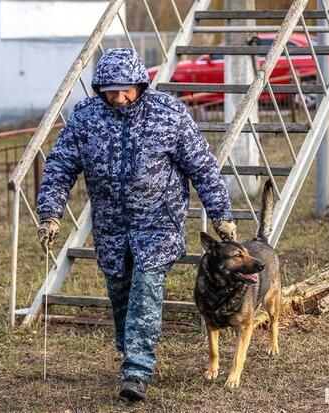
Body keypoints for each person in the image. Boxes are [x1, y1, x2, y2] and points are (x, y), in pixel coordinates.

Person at [36, 48, 236, 401]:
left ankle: (136, 373)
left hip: (159, 221)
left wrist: (220, 214)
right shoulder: (86, 118)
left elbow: (202, 167)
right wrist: (50, 214)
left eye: (126, 89)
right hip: (112, 227)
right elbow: (60, 167)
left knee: (146, 286)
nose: (120, 97)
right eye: (111, 91)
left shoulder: (169, 114)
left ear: (141, 83)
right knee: (121, 292)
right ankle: (129, 348)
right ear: (100, 89)